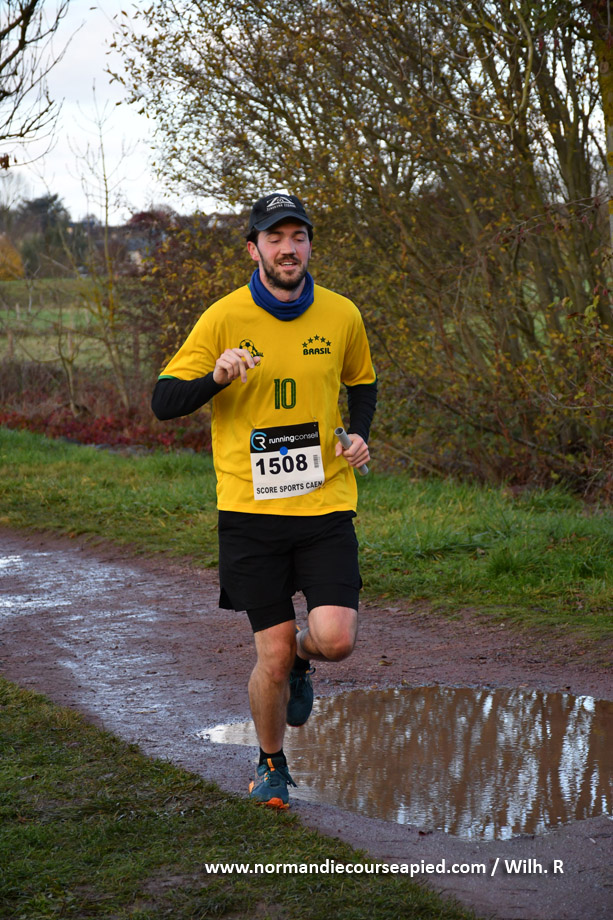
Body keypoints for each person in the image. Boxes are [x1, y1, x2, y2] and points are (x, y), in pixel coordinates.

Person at [152, 192, 377, 808]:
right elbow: (164, 402)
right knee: (270, 655)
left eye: (297, 237)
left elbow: (362, 382)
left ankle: (307, 659)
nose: (287, 248)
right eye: (274, 238)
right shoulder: (223, 318)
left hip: (325, 503)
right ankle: (271, 764)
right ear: (254, 249)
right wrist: (215, 378)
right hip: (250, 513)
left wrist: (359, 434)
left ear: (309, 246)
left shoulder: (341, 314)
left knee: (335, 638)